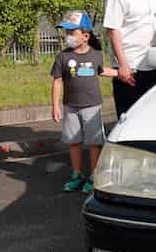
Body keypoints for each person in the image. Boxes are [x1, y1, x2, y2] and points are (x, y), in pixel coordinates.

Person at [50, 11, 117, 193]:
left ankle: (94, 176)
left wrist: (122, 73)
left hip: (92, 107)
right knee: (74, 141)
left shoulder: (96, 54)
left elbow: (101, 70)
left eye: (72, 33)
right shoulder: (63, 57)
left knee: (94, 143)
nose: (68, 37)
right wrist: (55, 105)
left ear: (85, 36)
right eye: (66, 33)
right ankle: (76, 174)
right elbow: (57, 81)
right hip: (70, 107)